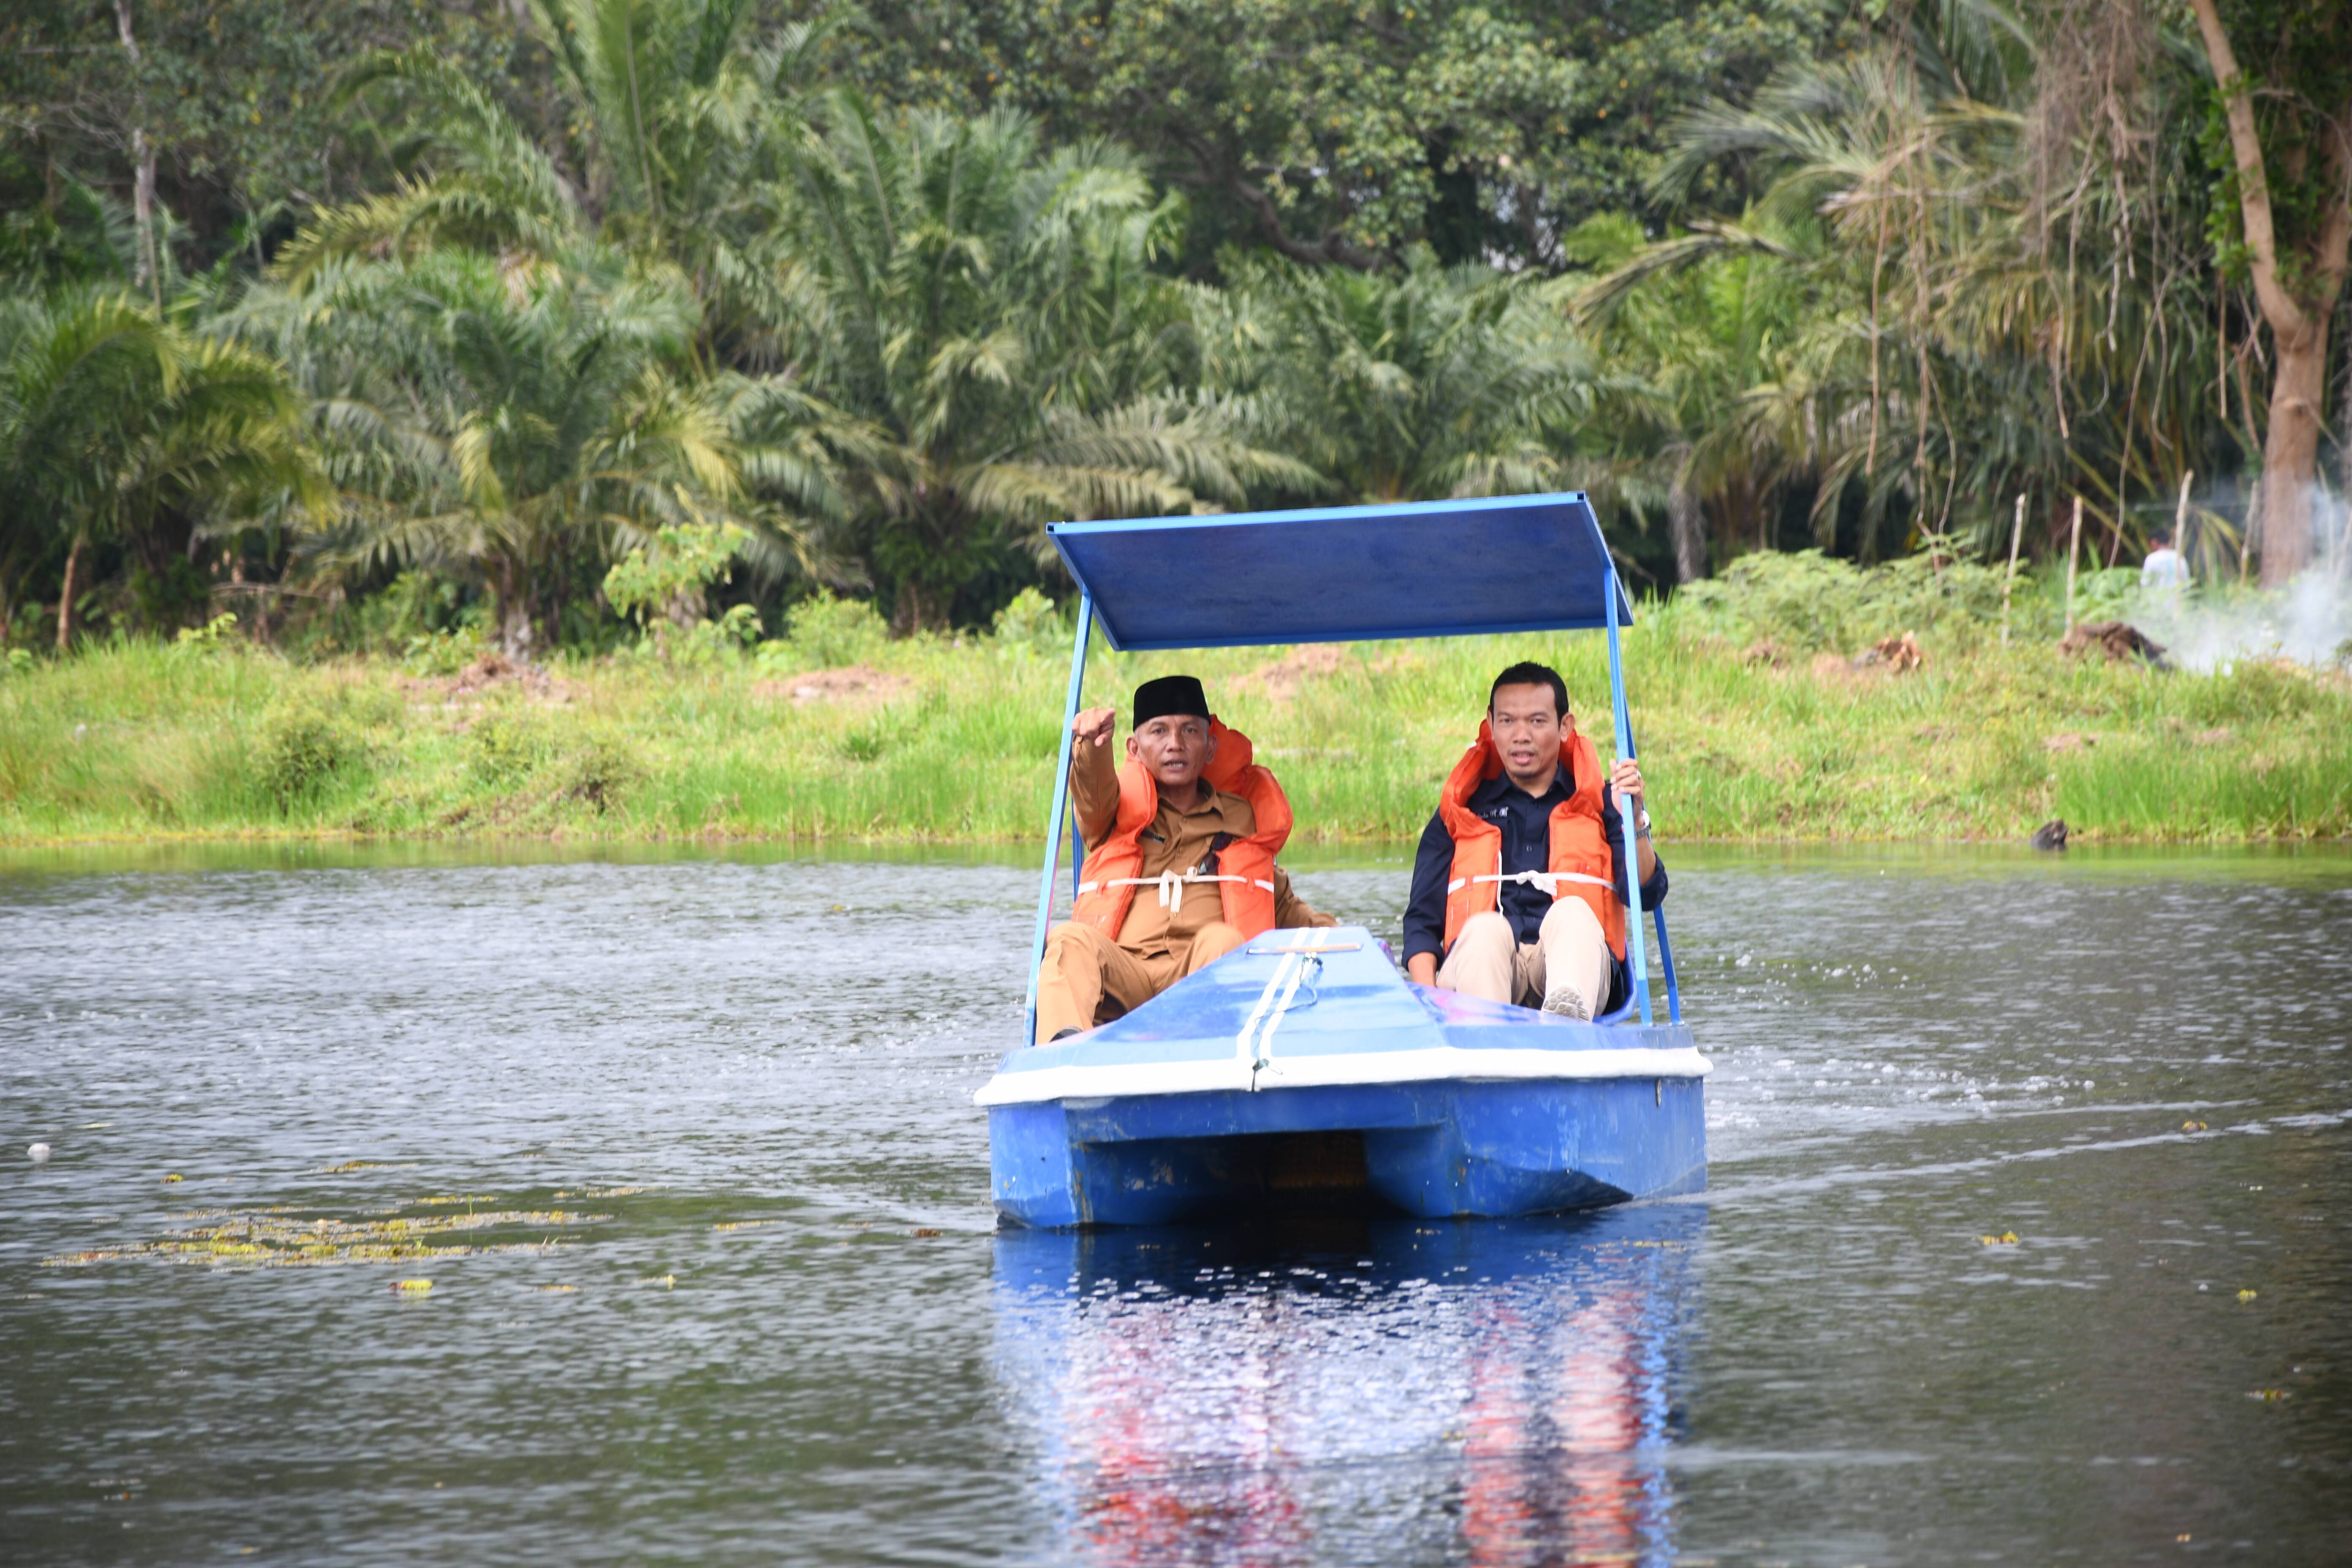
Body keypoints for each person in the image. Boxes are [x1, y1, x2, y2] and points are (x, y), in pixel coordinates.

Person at [1033, 674, 1334, 1043]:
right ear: (1135, 748)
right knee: (1068, 938)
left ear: (1209, 749)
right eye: (1159, 731)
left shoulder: (1243, 820)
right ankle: (1064, 1055)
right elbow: (1091, 792)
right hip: (1124, 979)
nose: (1175, 744)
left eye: (1190, 732)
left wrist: (1348, 942)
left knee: (1222, 940)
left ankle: (1211, 1062)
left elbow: (1284, 906)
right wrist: (1091, 745)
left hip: (1199, 982)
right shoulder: (1110, 812)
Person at [1401, 661, 1666, 1020]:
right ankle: (1486, 1039)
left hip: (1572, 972)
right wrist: (1427, 1005)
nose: (1520, 735)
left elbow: (1647, 894)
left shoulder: (1604, 804)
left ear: (1564, 727)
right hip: (1483, 976)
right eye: (1507, 721)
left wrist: (1633, 820)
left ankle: (1566, 1026)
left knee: (1572, 911)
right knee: (1484, 928)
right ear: (1491, 724)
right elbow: (1421, 922)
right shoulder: (1461, 811)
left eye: (1537, 722)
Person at [2141, 527, 2191, 591]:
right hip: (2177, 600)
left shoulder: (2151, 559)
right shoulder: (2180, 558)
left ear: (2154, 542)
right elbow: (2187, 585)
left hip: (2157, 600)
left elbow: (2145, 584)